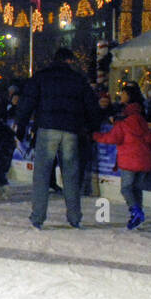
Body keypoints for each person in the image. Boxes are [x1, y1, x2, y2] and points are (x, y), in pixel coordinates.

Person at [15, 47, 99, 229]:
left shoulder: (41, 77)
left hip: (46, 128)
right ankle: (74, 217)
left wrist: (20, 126)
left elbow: (27, 102)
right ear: (69, 61)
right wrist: (93, 127)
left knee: (42, 175)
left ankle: (38, 217)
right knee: (70, 175)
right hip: (71, 130)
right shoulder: (78, 79)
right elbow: (91, 105)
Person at [93, 84, 151, 229]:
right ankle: (138, 214)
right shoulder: (142, 121)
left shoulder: (123, 123)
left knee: (126, 188)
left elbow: (111, 138)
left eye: (123, 94)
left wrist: (94, 135)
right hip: (144, 161)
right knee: (137, 188)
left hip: (129, 162)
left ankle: (136, 211)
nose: (121, 96)